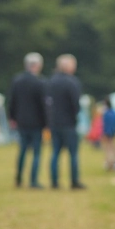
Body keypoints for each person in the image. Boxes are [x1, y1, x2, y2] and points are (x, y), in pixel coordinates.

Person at [8, 52, 47, 188]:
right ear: (37, 65)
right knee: (36, 152)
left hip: (21, 121)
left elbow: (12, 101)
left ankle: (18, 178)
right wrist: (46, 122)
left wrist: (12, 117)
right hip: (36, 122)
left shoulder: (17, 80)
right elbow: (43, 105)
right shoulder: (40, 82)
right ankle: (33, 180)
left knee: (22, 150)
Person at [46, 54, 85, 190]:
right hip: (68, 123)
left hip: (54, 122)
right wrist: (75, 115)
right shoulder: (72, 82)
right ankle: (74, 181)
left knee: (55, 153)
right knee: (73, 154)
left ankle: (54, 182)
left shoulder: (51, 81)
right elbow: (76, 104)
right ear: (68, 66)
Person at [101, 98, 115, 170]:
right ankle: (114, 163)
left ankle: (109, 163)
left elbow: (105, 125)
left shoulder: (106, 114)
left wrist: (104, 134)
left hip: (107, 133)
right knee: (113, 148)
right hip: (113, 132)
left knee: (108, 148)